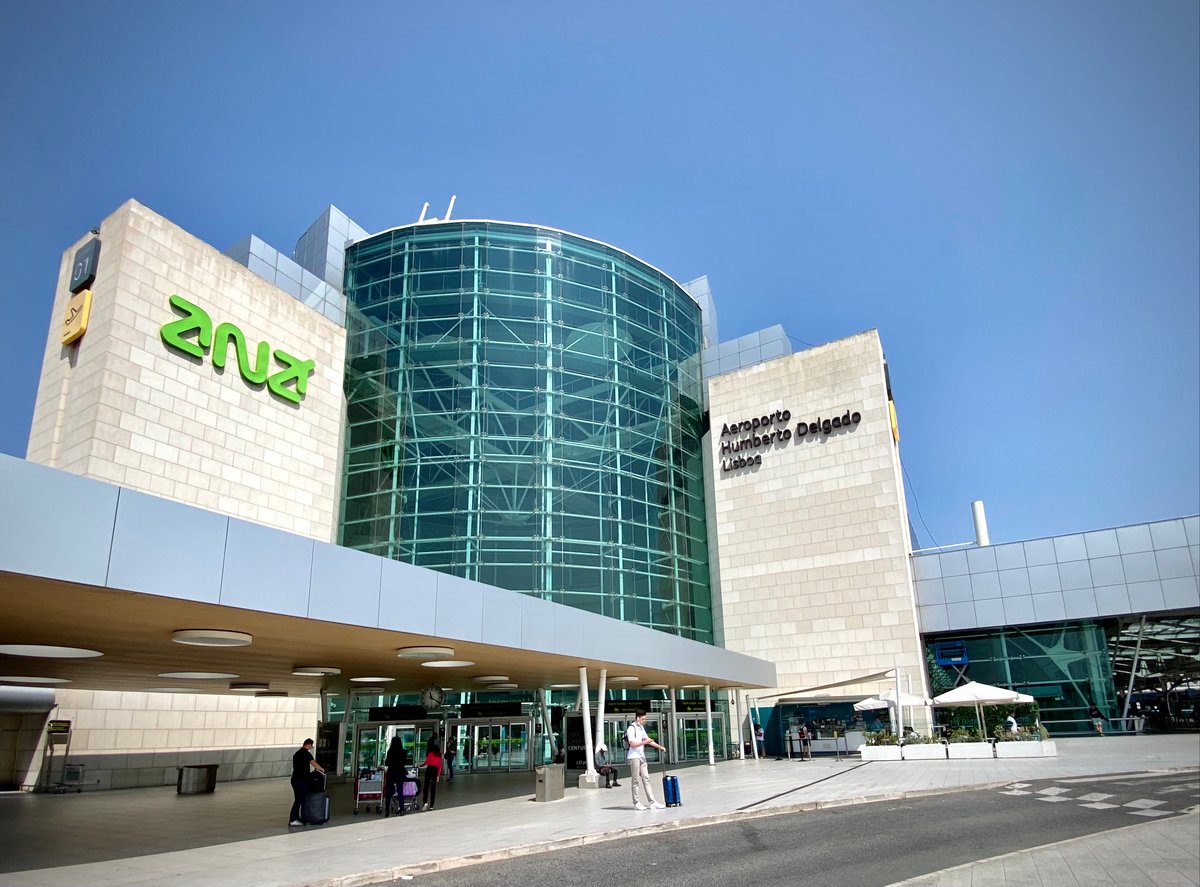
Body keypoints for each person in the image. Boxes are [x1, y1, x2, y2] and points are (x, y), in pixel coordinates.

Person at [625, 711, 666, 810]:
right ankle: (636, 802)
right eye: (643, 719)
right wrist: (645, 742)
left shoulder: (641, 728)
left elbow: (648, 740)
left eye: (645, 719)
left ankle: (652, 802)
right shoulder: (631, 728)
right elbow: (632, 744)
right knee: (635, 780)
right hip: (634, 757)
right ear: (637, 718)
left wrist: (660, 747)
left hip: (641, 756)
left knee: (646, 779)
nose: (644, 721)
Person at [288, 738, 325, 827]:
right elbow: (313, 763)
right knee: (299, 800)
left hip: (295, 779)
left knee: (298, 798)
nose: (311, 747)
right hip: (301, 780)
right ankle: (293, 819)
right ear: (308, 745)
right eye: (311, 746)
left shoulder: (297, 753)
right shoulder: (306, 754)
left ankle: (297, 818)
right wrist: (322, 769)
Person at [383, 735, 410, 817]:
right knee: (400, 791)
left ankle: (387, 811)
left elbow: (387, 763)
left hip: (391, 773)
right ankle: (401, 810)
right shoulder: (403, 751)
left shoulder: (390, 751)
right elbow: (405, 762)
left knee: (389, 792)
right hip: (400, 773)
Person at [421, 738, 443, 811]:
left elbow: (426, 763)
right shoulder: (439, 756)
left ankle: (425, 802)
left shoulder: (430, 753)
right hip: (435, 770)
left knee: (426, 787)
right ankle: (431, 805)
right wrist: (438, 776)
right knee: (433, 788)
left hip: (429, 769)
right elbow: (440, 767)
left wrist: (420, 766)